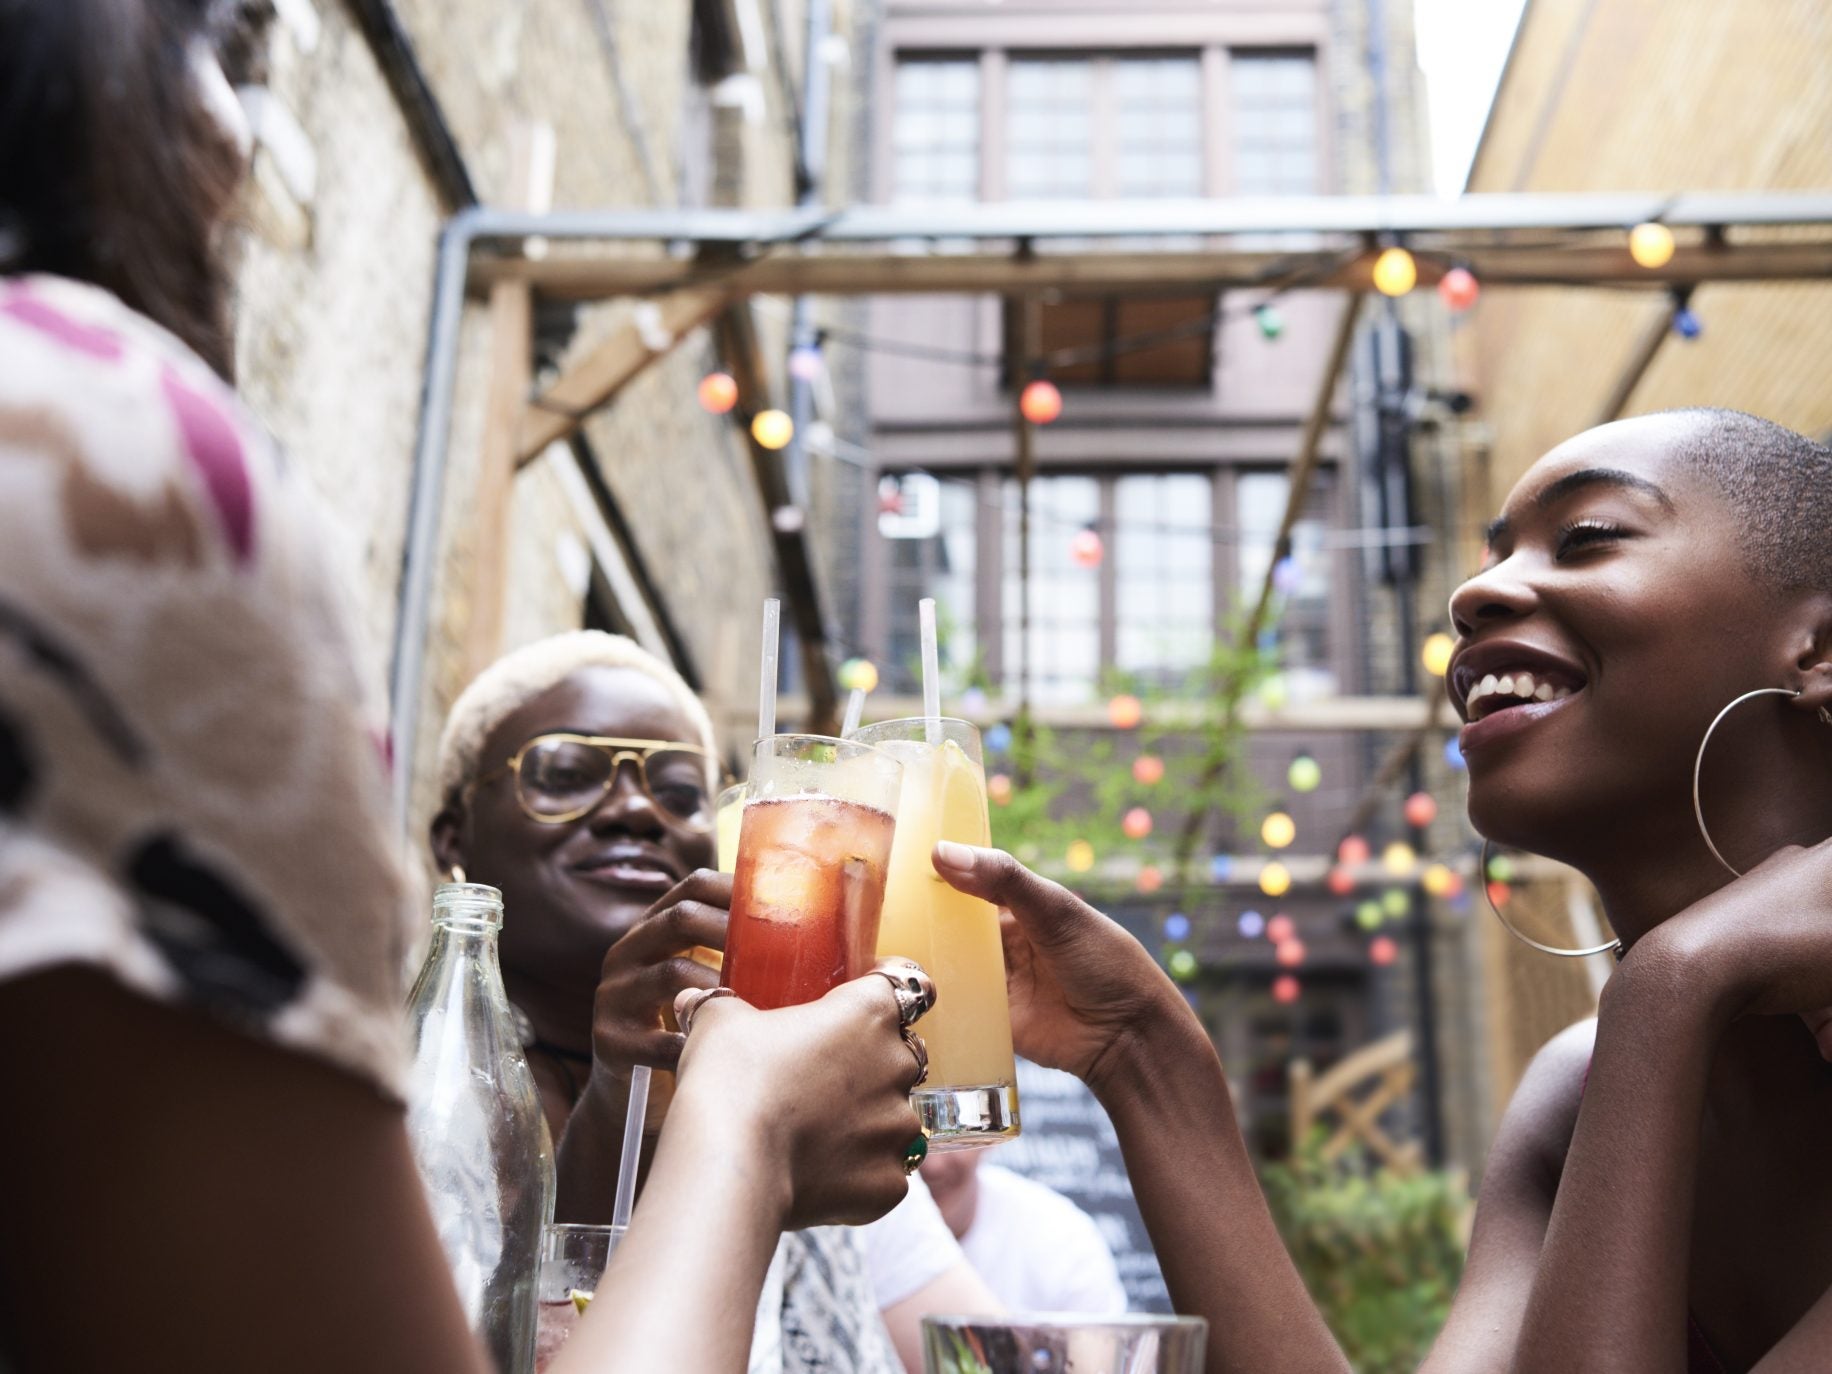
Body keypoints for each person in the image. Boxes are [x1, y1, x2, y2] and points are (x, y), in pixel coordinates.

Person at [0, 4, 927, 1369]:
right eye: (238, 52)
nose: (244, 146)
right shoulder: (97, 450)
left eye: (679, 784)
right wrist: (749, 1130)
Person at [928, 408, 1832, 1374]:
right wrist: (1141, 1047)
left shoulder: (1625, 1042)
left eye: (1587, 538)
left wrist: (1665, 988)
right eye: (1491, 556)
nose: (1473, 593)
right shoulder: (1578, 1092)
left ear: (1816, 649)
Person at [430, 629, 1001, 1373]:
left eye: (678, 792)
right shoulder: (413, 1093)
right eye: (565, 774)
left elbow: (986, 1359)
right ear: (453, 837)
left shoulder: (815, 1089)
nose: (636, 810)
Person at [919, 1147, 1127, 1314]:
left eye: (952, 1133)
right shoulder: (887, 1231)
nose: (933, 1165)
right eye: (910, 1136)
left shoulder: (1064, 1237)